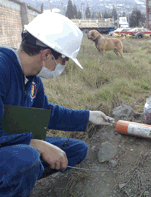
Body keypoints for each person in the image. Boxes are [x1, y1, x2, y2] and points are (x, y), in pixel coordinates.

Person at [0, 12, 114, 197]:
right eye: (64, 61)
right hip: (12, 147)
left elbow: (46, 113)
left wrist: (87, 116)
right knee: (28, 157)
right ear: (46, 54)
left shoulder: (33, 80)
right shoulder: (2, 68)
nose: (63, 67)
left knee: (76, 149)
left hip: (13, 144)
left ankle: (21, 179)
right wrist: (35, 145)